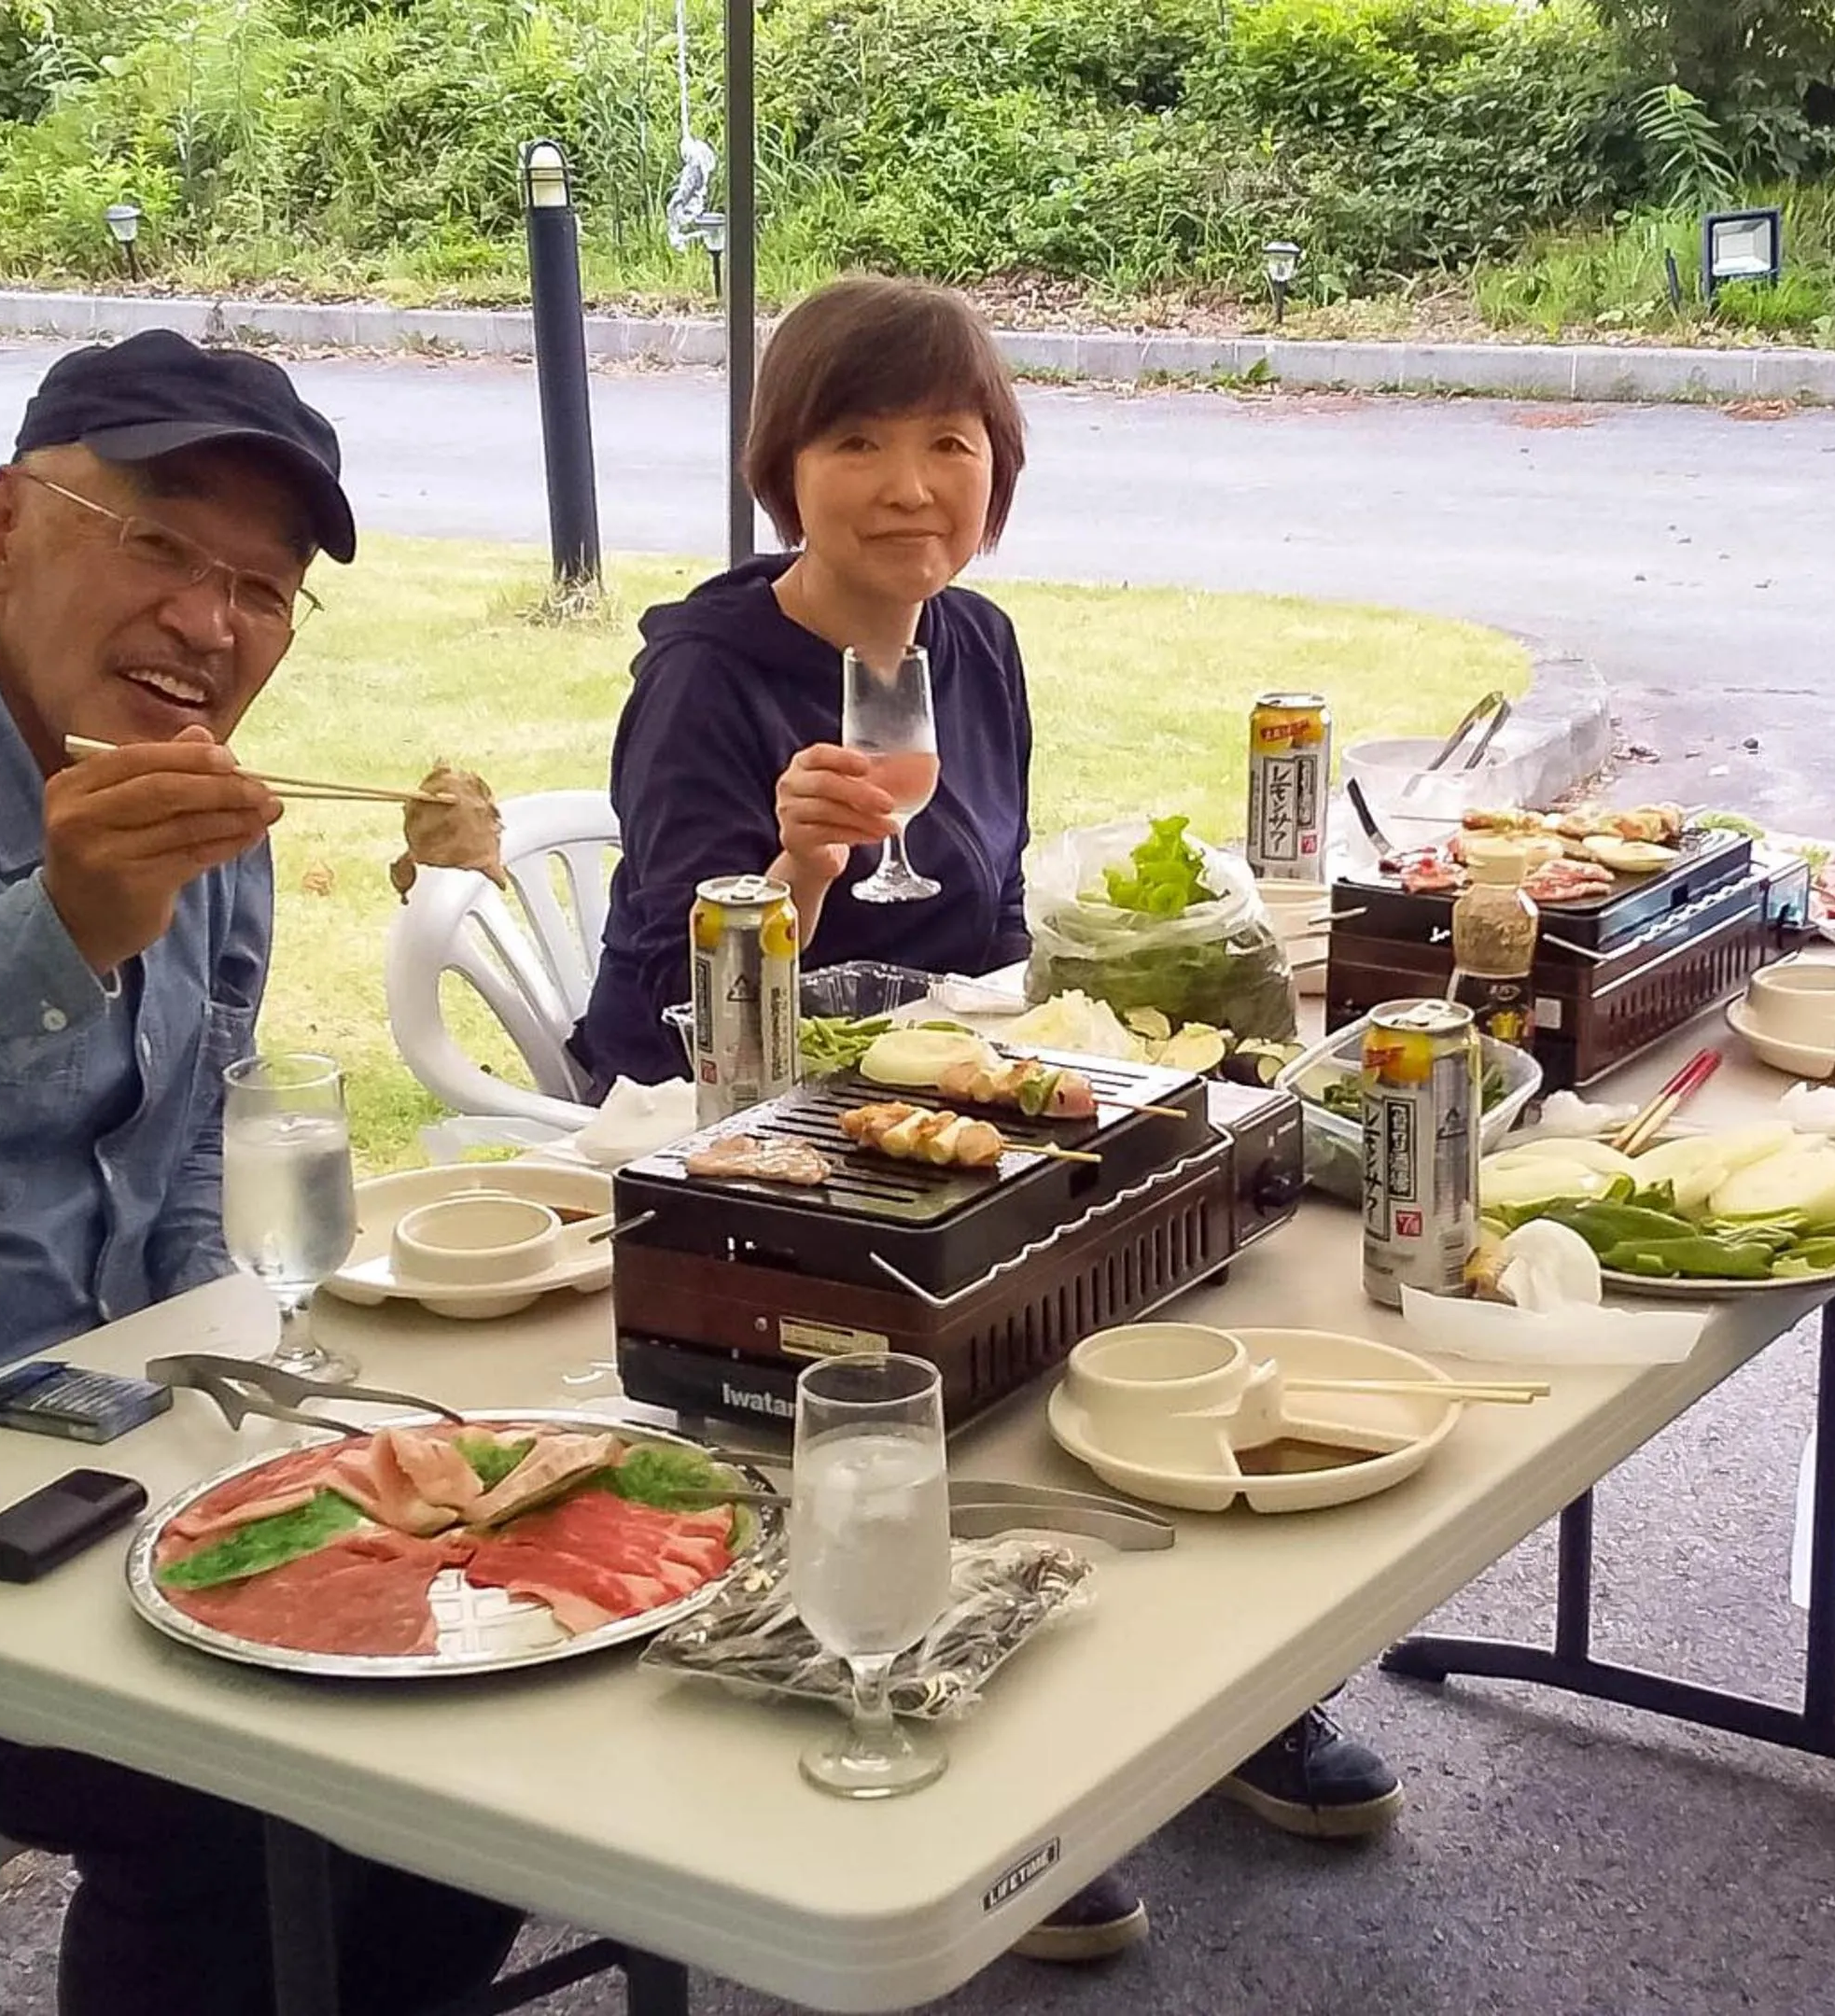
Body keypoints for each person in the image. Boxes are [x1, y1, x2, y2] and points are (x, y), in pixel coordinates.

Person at [574, 278, 1408, 1961]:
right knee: (955, 1401)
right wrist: (801, 868)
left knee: (1183, 1309)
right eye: (857, 442)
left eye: (948, 443)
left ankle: (1211, 1701)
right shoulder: (713, 675)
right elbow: (679, 986)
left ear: (997, 469)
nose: (907, 485)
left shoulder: (975, 641)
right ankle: (975, 1781)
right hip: (744, 1114)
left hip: (944, 1095)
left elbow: (986, 926)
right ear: (782, 470)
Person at [0, 331, 523, 2015]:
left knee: (481, 1695)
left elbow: (191, 1172)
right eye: (160, 545)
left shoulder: (201, 826)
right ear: (6, 528)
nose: (208, 622)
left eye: (263, 587)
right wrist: (56, 933)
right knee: (294, 1814)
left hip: (113, 1473)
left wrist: (274, 1370)